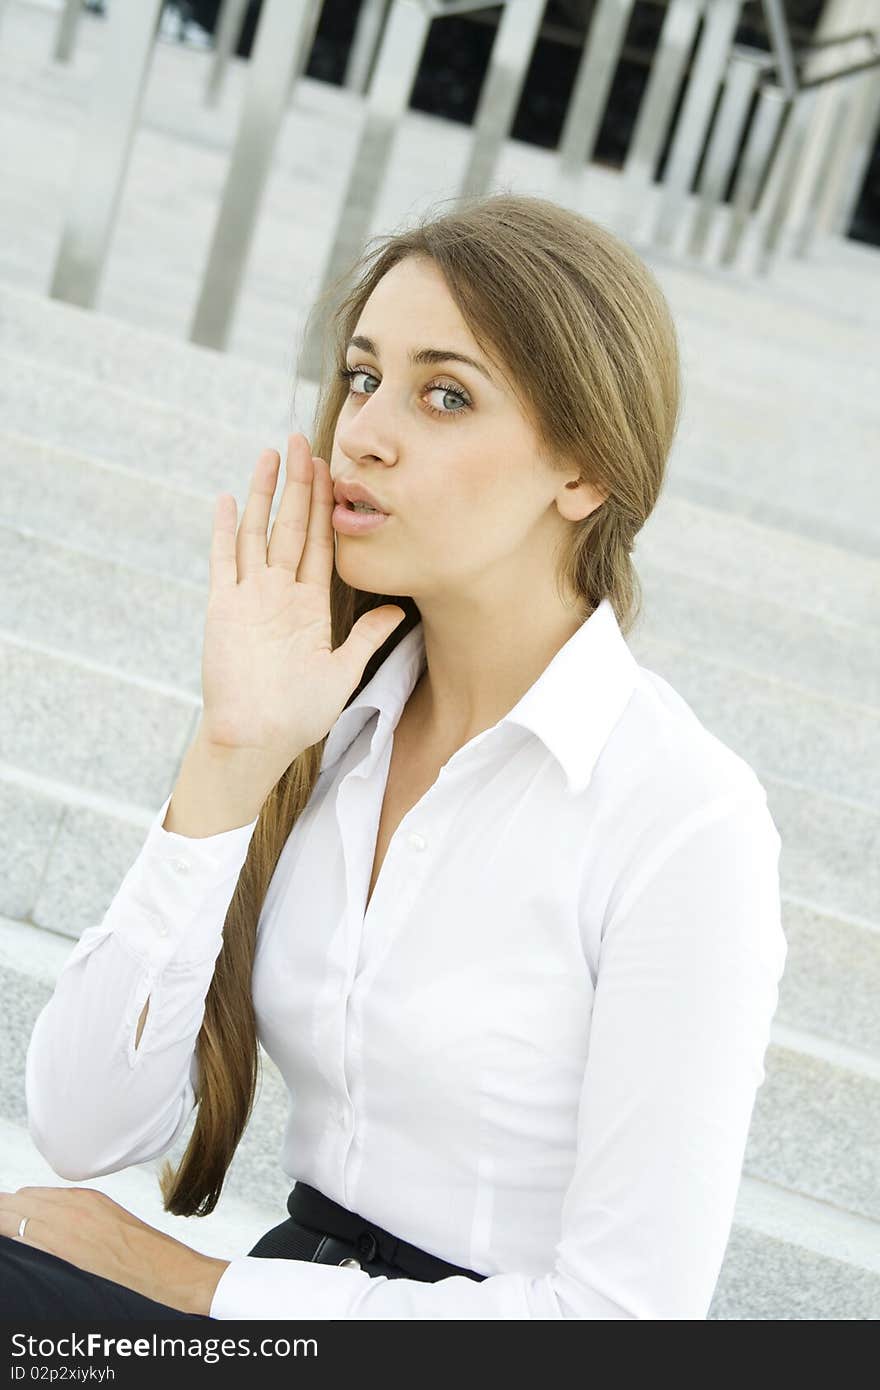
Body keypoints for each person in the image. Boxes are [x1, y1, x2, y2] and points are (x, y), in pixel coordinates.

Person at [1, 192, 787, 1319]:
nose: (361, 429)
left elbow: (626, 1317)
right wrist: (230, 753)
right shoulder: (330, 721)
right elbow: (83, 1126)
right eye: (363, 377)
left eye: (446, 394)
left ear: (583, 471)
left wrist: (205, 1284)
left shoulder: (680, 815)